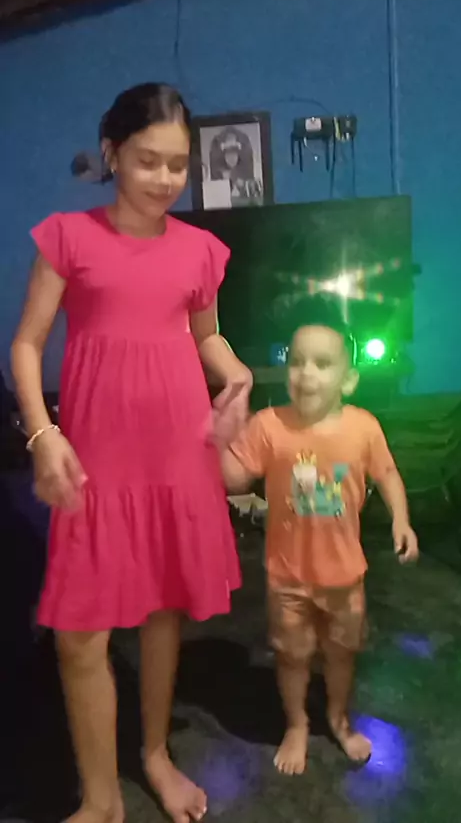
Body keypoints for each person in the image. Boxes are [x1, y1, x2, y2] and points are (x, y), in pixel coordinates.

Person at [11, 82, 252, 823]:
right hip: (95, 463)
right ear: (112, 153)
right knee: (78, 636)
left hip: (177, 456)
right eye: (149, 160)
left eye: (178, 163)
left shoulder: (200, 250)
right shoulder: (67, 237)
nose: (165, 178)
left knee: (162, 612)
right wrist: (43, 434)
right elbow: (27, 346)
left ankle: (153, 755)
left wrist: (237, 374)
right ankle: (102, 798)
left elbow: (207, 335)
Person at [220, 303, 418, 776]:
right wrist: (219, 436)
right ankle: (297, 724)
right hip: (287, 576)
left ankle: (339, 720)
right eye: (296, 361)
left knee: (341, 654)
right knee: (292, 656)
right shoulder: (269, 425)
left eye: (322, 363)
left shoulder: (363, 427)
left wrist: (402, 520)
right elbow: (233, 478)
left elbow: (388, 474)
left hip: (344, 576)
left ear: (348, 381)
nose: (306, 372)